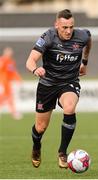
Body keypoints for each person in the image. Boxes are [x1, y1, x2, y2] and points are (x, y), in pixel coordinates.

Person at [26, 9, 92, 168]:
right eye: (64, 27)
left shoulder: (82, 35)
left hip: (69, 82)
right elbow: (30, 61)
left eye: (71, 27)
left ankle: (62, 153)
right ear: (57, 25)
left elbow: (89, 40)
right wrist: (35, 69)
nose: (69, 31)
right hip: (47, 84)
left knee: (70, 107)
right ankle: (36, 146)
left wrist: (84, 62)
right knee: (40, 127)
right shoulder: (48, 37)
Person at [0, 47, 22, 120]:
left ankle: (14, 112)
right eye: (8, 52)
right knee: (6, 96)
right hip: (2, 81)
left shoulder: (11, 61)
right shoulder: (2, 60)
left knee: (7, 97)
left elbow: (13, 72)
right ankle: (14, 113)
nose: (10, 54)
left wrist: (18, 78)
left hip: (7, 82)